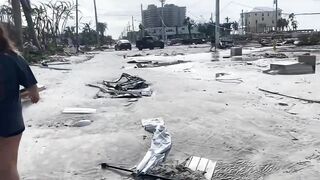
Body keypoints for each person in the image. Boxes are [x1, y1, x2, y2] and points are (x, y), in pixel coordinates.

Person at [0, 25, 39, 180]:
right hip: (10, 123)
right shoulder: (13, 57)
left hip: (9, 124)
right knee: (8, 167)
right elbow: (34, 95)